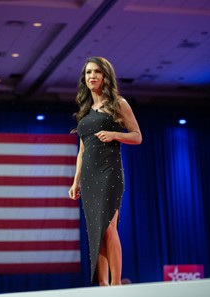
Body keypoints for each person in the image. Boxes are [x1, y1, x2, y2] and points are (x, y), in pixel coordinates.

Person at [68, 56, 142, 286]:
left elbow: (137, 136)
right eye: (88, 72)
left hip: (109, 172)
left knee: (109, 227)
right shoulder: (85, 112)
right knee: (95, 231)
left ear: (105, 76)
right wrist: (75, 181)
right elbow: (82, 151)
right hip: (89, 176)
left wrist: (115, 134)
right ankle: (102, 285)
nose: (92, 76)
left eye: (97, 72)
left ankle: (117, 284)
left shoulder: (118, 104)